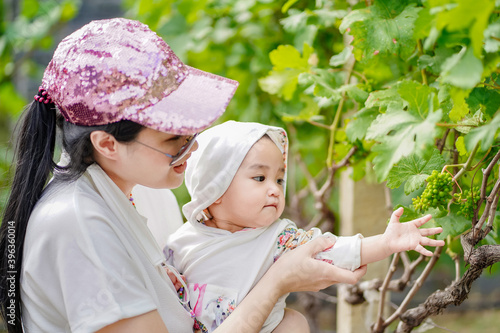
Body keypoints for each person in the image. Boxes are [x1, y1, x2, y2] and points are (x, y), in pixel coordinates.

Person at [0, 18, 368, 333]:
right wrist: (278, 281)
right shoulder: (77, 224)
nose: (191, 149)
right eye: (173, 138)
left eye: (190, 133)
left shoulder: (141, 192)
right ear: (107, 144)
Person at [165, 121, 445, 333]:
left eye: (279, 180)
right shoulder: (183, 241)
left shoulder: (280, 238)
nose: (274, 189)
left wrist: (386, 243)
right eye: (260, 178)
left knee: (292, 325)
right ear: (216, 189)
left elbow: (333, 249)